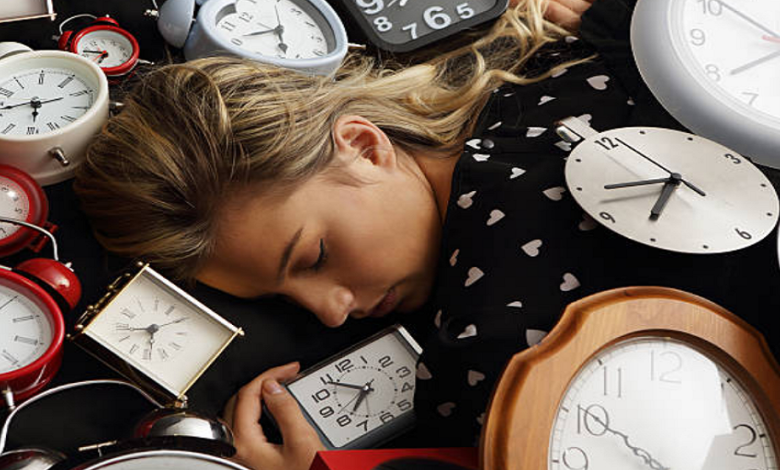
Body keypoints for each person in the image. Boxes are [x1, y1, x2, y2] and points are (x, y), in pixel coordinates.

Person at [73, 0, 780, 468]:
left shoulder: (481, 351)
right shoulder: (559, 69)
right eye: (284, 301)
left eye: (315, 257)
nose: (331, 312)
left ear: (364, 145)